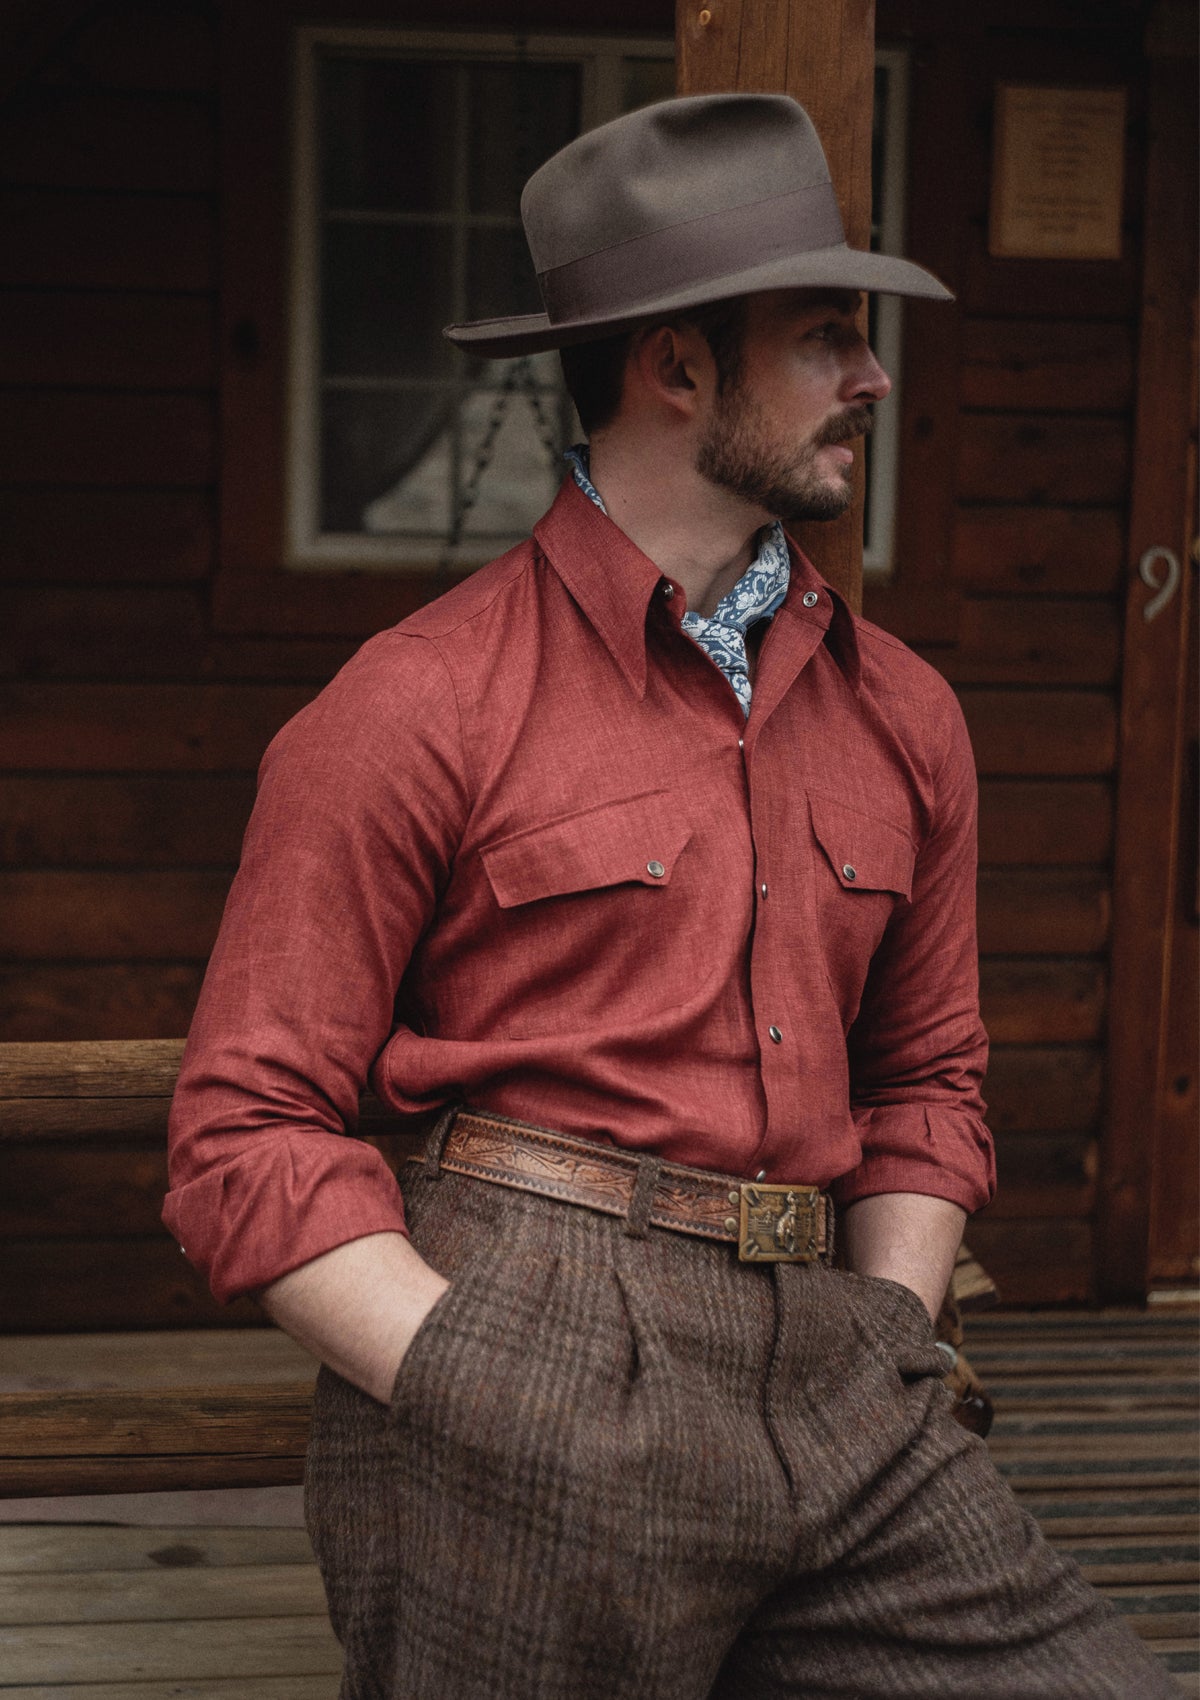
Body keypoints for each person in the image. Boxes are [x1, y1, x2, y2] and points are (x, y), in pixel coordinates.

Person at [165, 93, 1174, 1699]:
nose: (875, 380)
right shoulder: (416, 702)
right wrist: (471, 1378)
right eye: (830, 337)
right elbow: (246, 1131)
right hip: (528, 1327)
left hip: (842, 1374)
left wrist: (898, 1344)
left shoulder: (904, 713)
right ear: (678, 368)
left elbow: (927, 1080)